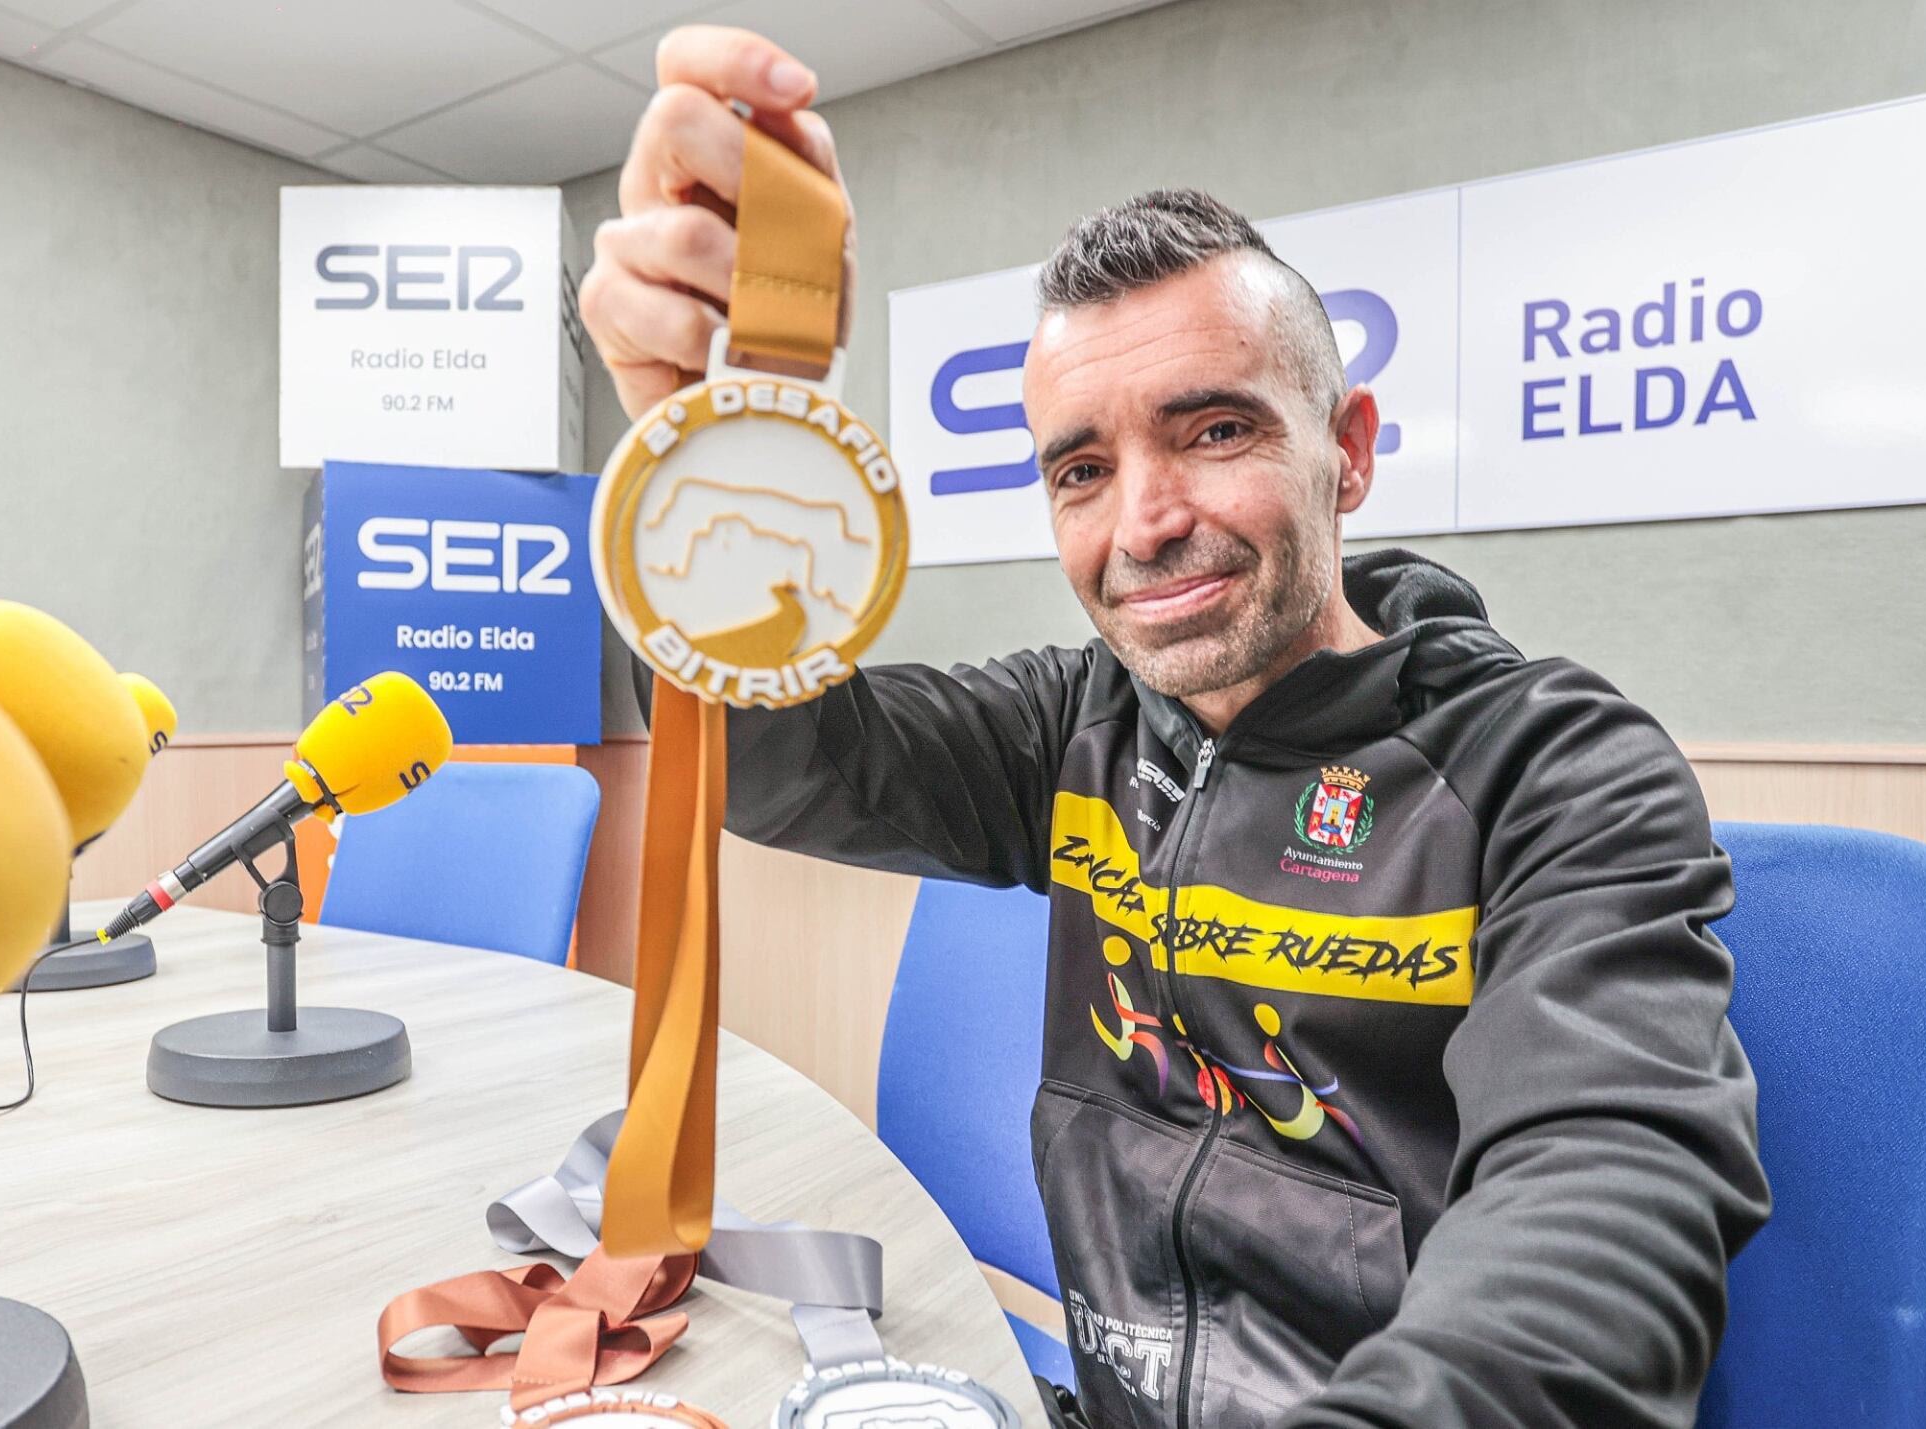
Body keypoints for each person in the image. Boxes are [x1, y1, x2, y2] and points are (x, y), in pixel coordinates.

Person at [579, 25, 1772, 1429]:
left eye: (1213, 432)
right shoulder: (1072, 726)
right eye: (1083, 469)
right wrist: (696, 451)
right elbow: (776, 763)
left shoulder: (1558, 769)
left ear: (1349, 451)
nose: (1143, 522)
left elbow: (1601, 1208)